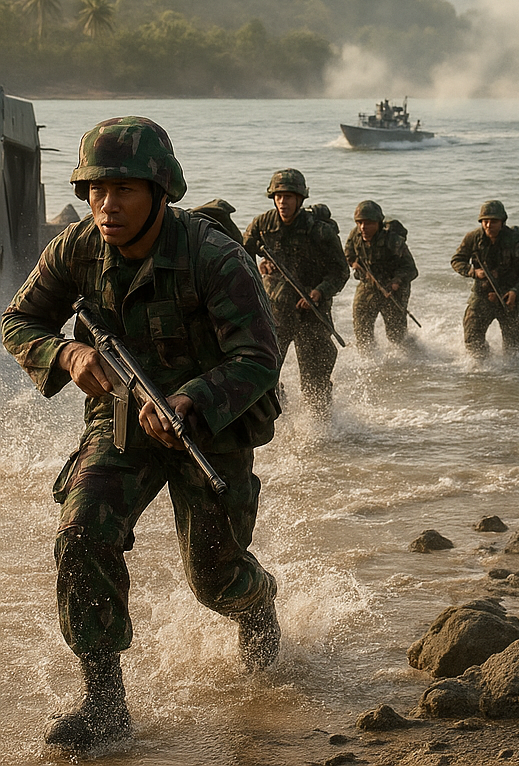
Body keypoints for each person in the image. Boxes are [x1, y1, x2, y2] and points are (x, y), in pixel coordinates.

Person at [1, 117, 282, 753]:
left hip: (212, 424)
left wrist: (191, 399)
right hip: (122, 415)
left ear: (160, 191)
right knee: (81, 530)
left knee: (216, 578)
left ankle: (259, 605)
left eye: (124, 189)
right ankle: (104, 699)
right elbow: (17, 321)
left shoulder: (213, 256)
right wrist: (66, 357)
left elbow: (259, 356)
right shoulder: (74, 250)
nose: (107, 204)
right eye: (96, 189)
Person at [242, 170, 349, 420]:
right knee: (265, 373)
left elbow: (340, 271)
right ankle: (280, 421)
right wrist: (259, 266)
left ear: (300, 199)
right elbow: (240, 256)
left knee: (315, 382)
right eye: (279, 196)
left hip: (312, 312)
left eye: (288, 197)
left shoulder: (319, 231)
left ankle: (323, 430)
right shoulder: (262, 224)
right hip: (275, 312)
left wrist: (319, 292)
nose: (283, 202)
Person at [451, 200, 519, 358]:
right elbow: (456, 260)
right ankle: (483, 366)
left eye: (493, 221)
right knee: (472, 336)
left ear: (502, 222)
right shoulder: (473, 238)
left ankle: (515, 374)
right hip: (483, 293)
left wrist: (515, 292)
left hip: (509, 295)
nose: (489, 225)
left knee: (513, 346)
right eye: (485, 221)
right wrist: (473, 272)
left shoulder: (516, 240)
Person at [343, 200, 419, 350]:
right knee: (361, 329)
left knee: (396, 335)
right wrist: (354, 264)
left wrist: (396, 282)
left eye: (368, 223)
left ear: (378, 223)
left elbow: (410, 269)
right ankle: (368, 360)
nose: (363, 227)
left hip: (393, 289)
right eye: (360, 222)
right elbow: (348, 254)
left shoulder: (393, 240)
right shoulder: (356, 235)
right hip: (368, 285)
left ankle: (411, 354)